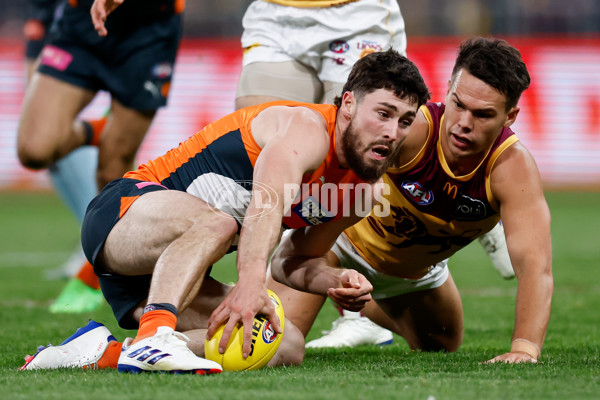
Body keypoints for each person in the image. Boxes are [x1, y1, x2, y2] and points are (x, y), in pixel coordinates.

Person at [20, 48, 431, 373]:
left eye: (405, 121)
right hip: (124, 214)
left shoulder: (363, 192)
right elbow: (265, 205)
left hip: (173, 274)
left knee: (284, 344)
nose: (392, 132)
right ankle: (155, 336)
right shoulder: (306, 129)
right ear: (347, 105)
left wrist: (333, 280)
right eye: (383, 114)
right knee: (217, 223)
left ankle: (103, 353)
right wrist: (251, 282)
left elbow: (294, 260)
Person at [235, 0, 515, 348]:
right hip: (277, 14)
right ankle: (249, 290)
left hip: (355, 12)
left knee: (359, 149)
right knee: (262, 170)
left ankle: (458, 203)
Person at [268, 37, 553, 363]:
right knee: (271, 342)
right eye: (458, 104)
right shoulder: (412, 130)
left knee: (443, 343)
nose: (463, 124)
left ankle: (365, 313)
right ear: (448, 89)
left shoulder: (512, 170)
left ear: (510, 116)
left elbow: (536, 268)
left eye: (483, 114)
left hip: (414, 272)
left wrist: (524, 349)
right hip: (338, 245)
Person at [22, 0, 108, 313]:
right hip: (52, 27)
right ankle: (87, 238)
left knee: (112, 156)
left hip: (92, 25)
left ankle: (95, 248)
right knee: (41, 148)